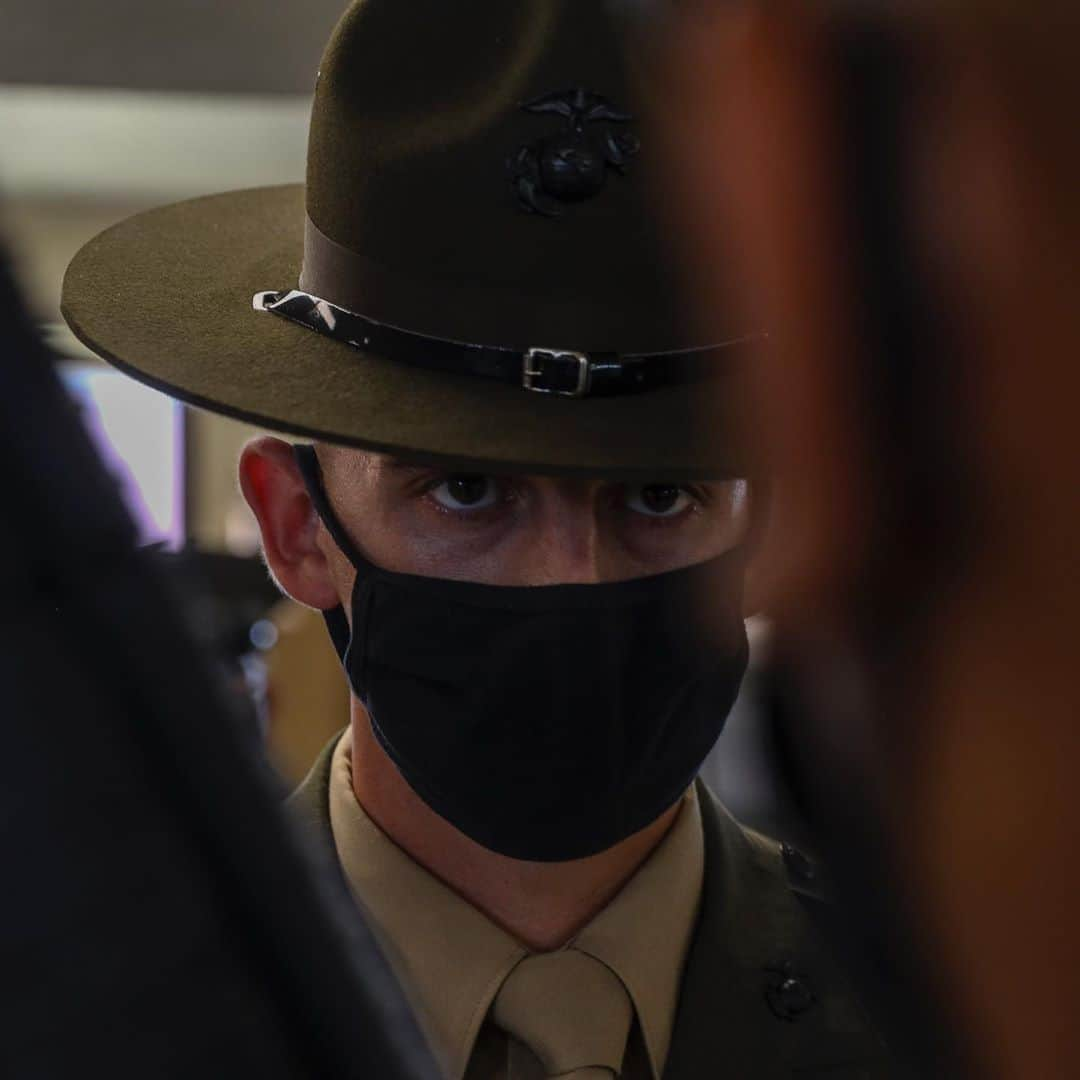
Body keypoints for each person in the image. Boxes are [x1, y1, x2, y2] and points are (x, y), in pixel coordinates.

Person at [61, 2, 898, 1076]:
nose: (569, 578)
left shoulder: (964, 1021)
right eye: (465, 491)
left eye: (656, 496)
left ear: (767, 525)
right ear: (297, 524)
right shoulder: (98, 1027)